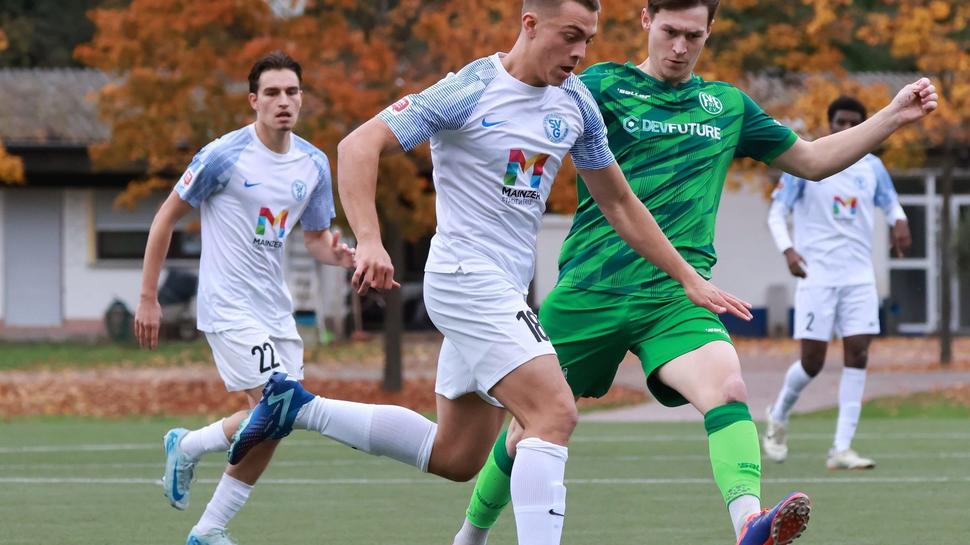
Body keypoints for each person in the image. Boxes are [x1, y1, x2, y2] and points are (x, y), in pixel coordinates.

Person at [225, 2, 750, 545]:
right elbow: (359, 145)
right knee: (552, 412)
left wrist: (688, 277)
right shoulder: (469, 88)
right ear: (529, 25)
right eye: (569, 36)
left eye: (588, 40)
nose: (579, 53)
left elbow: (619, 202)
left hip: (503, 289)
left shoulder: (577, 105)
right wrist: (372, 240)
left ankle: (297, 407)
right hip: (462, 277)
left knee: (457, 456)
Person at [451, 2, 937, 545]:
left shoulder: (725, 104)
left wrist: (891, 116)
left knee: (728, 387)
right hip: (592, 288)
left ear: (710, 32)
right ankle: (470, 535)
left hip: (680, 296)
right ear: (645, 21)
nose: (680, 47)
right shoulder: (597, 85)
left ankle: (749, 523)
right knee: (526, 427)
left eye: (693, 35)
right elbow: (523, 115)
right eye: (670, 32)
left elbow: (813, 160)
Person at [134, 51, 355, 545]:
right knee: (276, 405)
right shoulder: (223, 155)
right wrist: (148, 297)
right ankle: (208, 530)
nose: (283, 101)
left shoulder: (314, 163)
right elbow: (165, 218)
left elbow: (317, 240)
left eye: (292, 92)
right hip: (228, 306)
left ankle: (189, 449)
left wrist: (346, 256)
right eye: (272, 93)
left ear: (302, 99)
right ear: (254, 101)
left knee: (279, 419)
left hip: (275, 310)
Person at [762, 96, 911, 470]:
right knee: (812, 362)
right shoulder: (806, 162)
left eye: (854, 123)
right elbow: (777, 213)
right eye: (840, 122)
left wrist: (899, 219)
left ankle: (841, 448)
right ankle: (778, 415)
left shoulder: (873, 167)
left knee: (858, 353)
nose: (846, 130)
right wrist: (789, 251)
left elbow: (890, 203)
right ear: (829, 125)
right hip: (818, 276)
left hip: (858, 277)